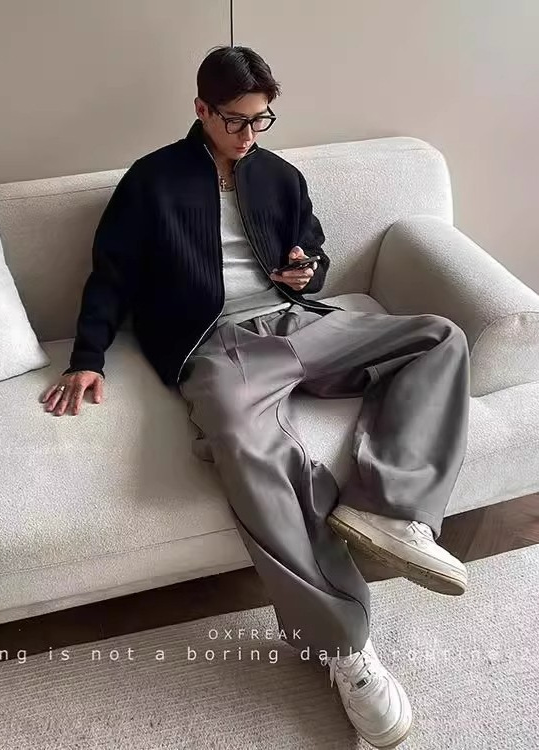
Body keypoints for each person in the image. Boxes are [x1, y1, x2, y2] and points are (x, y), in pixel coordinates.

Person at [40, 46, 470, 748]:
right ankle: (344, 646)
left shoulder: (279, 175)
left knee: (439, 337)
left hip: (297, 324)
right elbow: (111, 276)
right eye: (235, 120)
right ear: (201, 109)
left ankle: (389, 509)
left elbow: (312, 253)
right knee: (248, 452)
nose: (248, 135)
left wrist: (304, 272)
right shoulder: (151, 181)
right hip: (217, 344)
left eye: (261, 119)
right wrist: (87, 357)